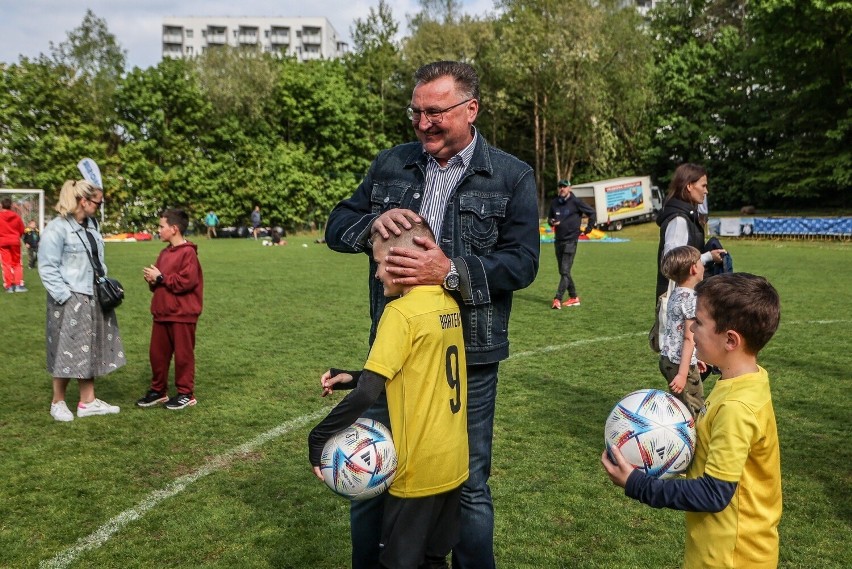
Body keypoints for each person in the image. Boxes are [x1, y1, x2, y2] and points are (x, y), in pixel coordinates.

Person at [325, 60, 540, 569]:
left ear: (471, 110)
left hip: (470, 356)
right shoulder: (391, 164)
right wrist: (373, 221)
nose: (423, 124)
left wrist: (450, 270)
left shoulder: (512, 175)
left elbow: (524, 262)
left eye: (435, 112)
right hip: (395, 350)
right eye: (416, 112)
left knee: (466, 484)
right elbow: (337, 224)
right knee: (372, 474)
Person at [309, 221, 468, 568]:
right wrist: (349, 376)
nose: (377, 273)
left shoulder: (400, 312)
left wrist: (317, 438)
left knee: (398, 563)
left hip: (418, 469)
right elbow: (415, 367)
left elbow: (369, 393)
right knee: (433, 558)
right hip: (453, 461)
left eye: (381, 263)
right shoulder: (447, 301)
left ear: (406, 260)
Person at [603, 272, 782, 569]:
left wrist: (637, 483)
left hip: (732, 556)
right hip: (716, 546)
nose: (690, 329)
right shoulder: (746, 380)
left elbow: (714, 493)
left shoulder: (737, 408)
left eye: (698, 322)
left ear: (730, 340)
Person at [38, 179, 125, 422]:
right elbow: (47, 268)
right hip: (71, 297)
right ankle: (58, 401)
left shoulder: (91, 225)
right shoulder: (57, 229)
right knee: (66, 349)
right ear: (83, 201)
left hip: (92, 294)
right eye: (97, 201)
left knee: (88, 347)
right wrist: (66, 297)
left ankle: (87, 401)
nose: (99, 205)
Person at [137, 209, 203, 410]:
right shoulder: (164, 253)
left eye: (161, 226)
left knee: (183, 356)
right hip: (162, 313)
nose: (158, 230)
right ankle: (158, 391)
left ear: (174, 229)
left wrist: (161, 278)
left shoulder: (188, 252)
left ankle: (185, 393)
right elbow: (159, 282)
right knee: (157, 355)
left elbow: (187, 281)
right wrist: (152, 280)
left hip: (182, 315)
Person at [655, 163, 726, 300]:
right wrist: (708, 257)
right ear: (689, 186)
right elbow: (671, 262)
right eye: (703, 186)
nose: (706, 191)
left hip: (686, 295)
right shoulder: (679, 221)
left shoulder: (687, 217)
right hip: (677, 300)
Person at [659, 245, 707, 417]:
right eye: (701, 262)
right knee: (695, 410)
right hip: (679, 364)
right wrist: (682, 373)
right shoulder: (691, 299)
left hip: (668, 359)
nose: (704, 266)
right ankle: (694, 442)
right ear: (694, 268)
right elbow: (688, 337)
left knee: (681, 406)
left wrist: (694, 357)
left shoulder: (676, 293)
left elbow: (676, 331)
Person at [547, 179, 596, 309]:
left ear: (570, 188)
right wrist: (552, 222)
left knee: (564, 271)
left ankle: (557, 299)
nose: (562, 189)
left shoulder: (576, 202)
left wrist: (588, 229)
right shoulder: (554, 203)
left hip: (571, 240)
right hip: (558, 241)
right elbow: (549, 219)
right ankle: (574, 297)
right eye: (560, 186)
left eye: (564, 186)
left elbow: (592, 213)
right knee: (564, 272)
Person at [0, 197, 27, 293]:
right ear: (11, 205)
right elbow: (21, 230)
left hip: (3, 242)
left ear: (2, 205)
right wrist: (16, 236)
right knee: (17, 264)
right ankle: (18, 284)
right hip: (14, 241)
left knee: (6, 264)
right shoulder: (16, 216)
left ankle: (9, 286)